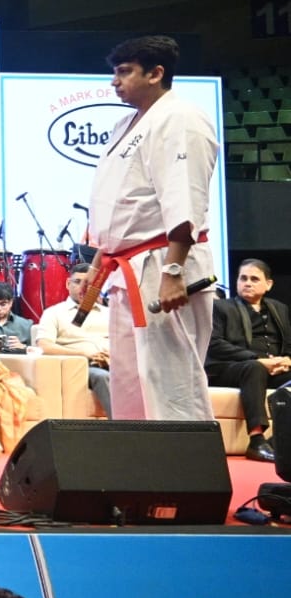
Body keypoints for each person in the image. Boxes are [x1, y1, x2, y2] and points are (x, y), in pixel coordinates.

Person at [86, 36, 219, 421]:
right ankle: (139, 458)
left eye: (125, 72)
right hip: (127, 267)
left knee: (170, 381)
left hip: (163, 263)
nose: (115, 81)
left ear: (156, 73)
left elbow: (185, 196)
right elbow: (119, 206)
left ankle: (187, 460)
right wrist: (97, 263)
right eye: (115, 72)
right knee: (131, 380)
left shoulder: (181, 119)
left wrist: (173, 270)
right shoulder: (125, 125)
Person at [205, 258, 289, 462]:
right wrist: (259, 360)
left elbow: (288, 344)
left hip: (271, 369)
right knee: (254, 368)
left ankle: (278, 440)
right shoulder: (221, 308)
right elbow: (214, 344)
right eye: (243, 278)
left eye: (254, 279)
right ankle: (257, 441)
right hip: (230, 368)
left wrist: (286, 360)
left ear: (268, 284)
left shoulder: (279, 309)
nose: (247, 283)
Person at [35, 262, 113, 418]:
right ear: (67, 284)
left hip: (113, 363)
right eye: (77, 282)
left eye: (89, 284)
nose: (83, 288)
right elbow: (44, 346)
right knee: (102, 377)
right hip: (81, 366)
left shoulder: (109, 313)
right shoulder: (54, 313)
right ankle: (126, 427)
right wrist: (83, 355)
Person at [0, 281, 32, 353]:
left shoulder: (26, 325)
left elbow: (37, 352)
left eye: (3, 304)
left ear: (11, 303)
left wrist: (24, 348)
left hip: (17, 360)